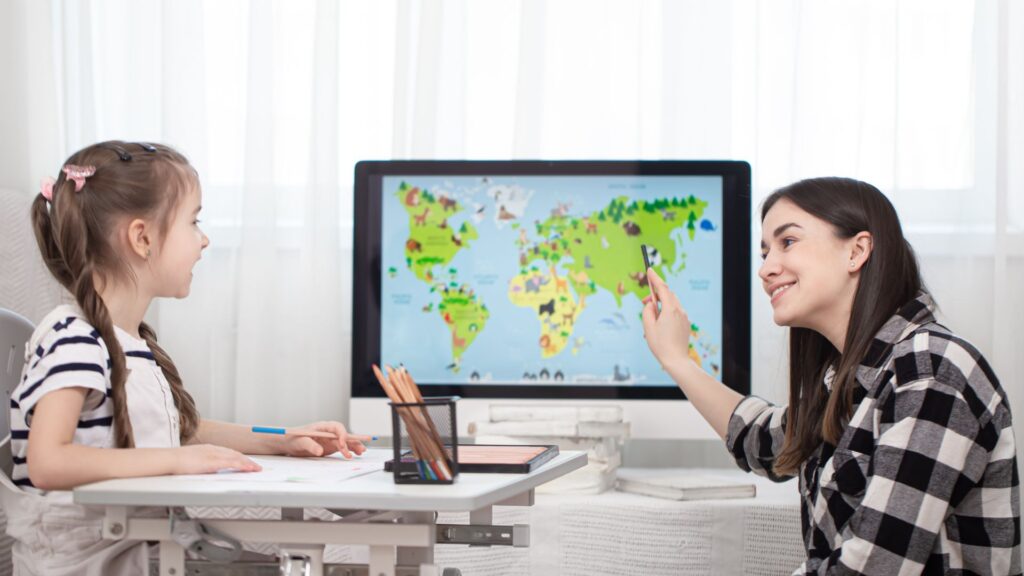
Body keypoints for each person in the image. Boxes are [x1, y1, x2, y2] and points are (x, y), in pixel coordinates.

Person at [8, 141, 368, 575]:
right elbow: (48, 463)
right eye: (193, 221)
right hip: (86, 564)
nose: (205, 238)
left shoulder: (128, 340)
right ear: (142, 238)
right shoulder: (75, 338)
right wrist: (180, 460)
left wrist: (281, 438)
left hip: (132, 549)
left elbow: (180, 431)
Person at [642, 177, 1020, 575]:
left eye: (787, 242)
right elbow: (760, 440)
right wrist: (677, 360)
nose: (766, 269)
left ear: (857, 250)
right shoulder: (852, 380)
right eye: (765, 252)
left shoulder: (930, 371)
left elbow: (873, 567)